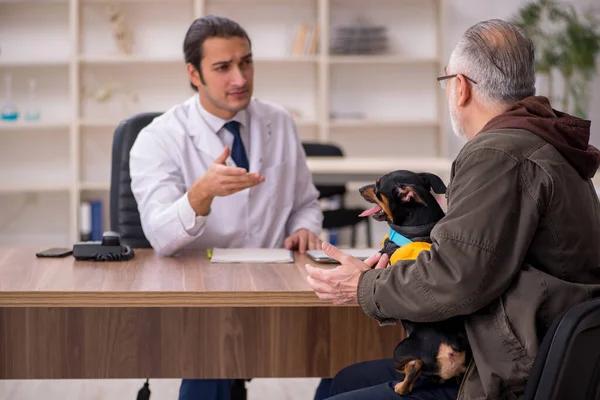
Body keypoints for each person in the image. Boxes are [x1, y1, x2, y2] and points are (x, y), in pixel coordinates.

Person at [305, 19, 600, 400]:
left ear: (460, 87)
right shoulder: (546, 142)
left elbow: (455, 278)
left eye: (447, 82)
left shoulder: (497, 155)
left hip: (508, 370)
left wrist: (364, 286)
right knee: (340, 381)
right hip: (542, 354)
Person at [129, 15, 331, 400]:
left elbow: (305, 201)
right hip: (203, 295)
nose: (240, 78)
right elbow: (159, 237)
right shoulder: (158, 138)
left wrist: (305, 227)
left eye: (246, 62)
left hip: (278, 285)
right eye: (223, 67)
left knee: (347, 351)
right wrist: (199, 195)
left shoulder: (279, 121)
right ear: (194, 74)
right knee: (214, 363)